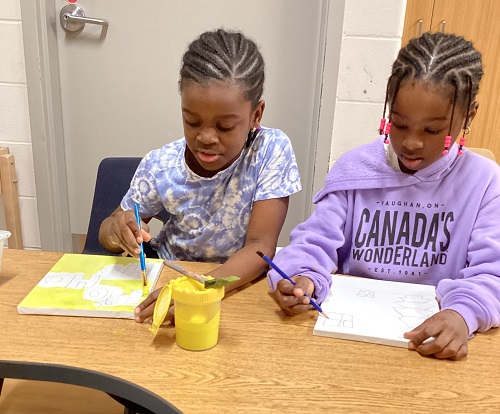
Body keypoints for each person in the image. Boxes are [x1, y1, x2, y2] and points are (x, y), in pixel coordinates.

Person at [268, 32, 500, 360]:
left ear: (469, 115)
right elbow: (312, 243)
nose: (411, 143)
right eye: (400, 125)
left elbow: (492, 273)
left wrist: (462, 315)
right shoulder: (355, 169)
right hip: (345, 341)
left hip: (429, 347)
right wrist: (302, 277)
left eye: (431, 130)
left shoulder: (485, 183)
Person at [99, 28, 301, 323]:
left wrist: (198, 290)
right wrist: (119, 231)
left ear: (256, 115)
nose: (206, 137)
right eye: (192, 121)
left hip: (238, 285)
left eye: (225, 127)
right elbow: (108, 233)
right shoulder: (161, 165)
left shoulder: (270, 151)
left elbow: (260, 246)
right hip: (169, 279)